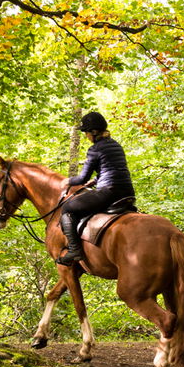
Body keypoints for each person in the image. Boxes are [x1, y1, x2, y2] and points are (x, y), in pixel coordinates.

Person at [57, 111, 135, 266]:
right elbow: (113, 169)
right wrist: (94, 181)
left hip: (108, 192)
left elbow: (81, 178)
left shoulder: (95, 149)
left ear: (93, 132)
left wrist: (67, 181)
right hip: (127, 192)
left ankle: (74, 250)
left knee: (67, 208)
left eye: (86, 132)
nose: (86, 136)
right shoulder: (116, 145)